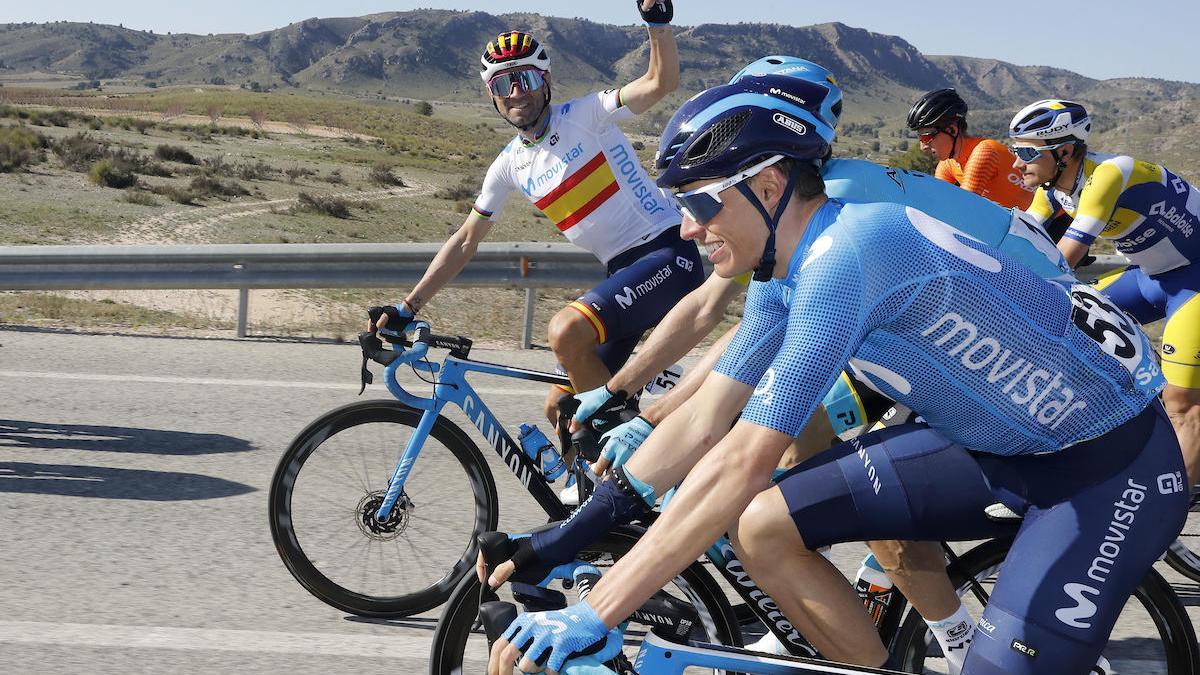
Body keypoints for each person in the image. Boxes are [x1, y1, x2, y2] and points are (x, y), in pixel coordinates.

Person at [486, 74, 1187, 675]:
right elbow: (704, 418)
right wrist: (570, 535)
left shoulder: (850, 253)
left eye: (699, 205)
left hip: (1105, 470)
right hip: (998, 444)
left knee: (752, 489)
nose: (690, 230)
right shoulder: (782, 264)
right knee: (762, 525)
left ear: (765, 184)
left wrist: (602, 608)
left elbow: (738, 458)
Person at [369, 1, 703, 426]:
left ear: (545, 82)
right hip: (621, 273)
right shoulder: (508, 165)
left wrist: (657, 23)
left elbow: (660, 82)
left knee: (566, 334)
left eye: (525, 78)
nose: (516, 93)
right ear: (492, 94)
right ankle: (607, 482)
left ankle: (634, 446)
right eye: (503, 83)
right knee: (561, 413)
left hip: (666, 252)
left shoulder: (588, 114)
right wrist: (408, 307)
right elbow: (465, 240)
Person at [1009, 98, 1200, 489]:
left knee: (1182, 403)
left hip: (1194, 282)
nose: (1016, 163)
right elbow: (1016, 242)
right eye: (1015, 151)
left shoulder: (1111, 173)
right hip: (1151, 278)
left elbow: (1064, 260)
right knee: (1068, 334)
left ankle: (1168, 509)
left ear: (1064, 151)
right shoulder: (1053, 188)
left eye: (1026, 152)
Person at [908, 88, 1035, 210]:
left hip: (1049, 224)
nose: (923, 147)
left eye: (926, 137)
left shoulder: (984, 151)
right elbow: (937, 202)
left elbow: (963, 208)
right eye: (920, 139)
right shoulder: (947, 164)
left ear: (952, 130)